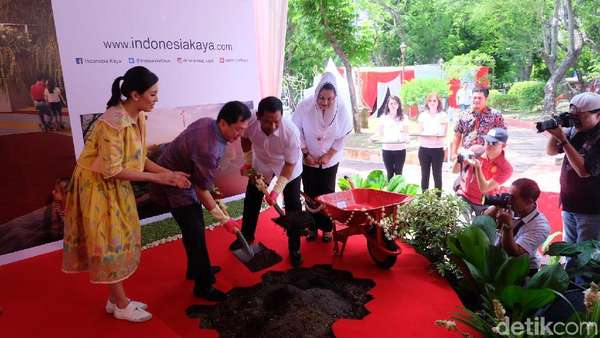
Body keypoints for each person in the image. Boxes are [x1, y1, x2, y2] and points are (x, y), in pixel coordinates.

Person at [62, 66, 191, 322]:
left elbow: (139, 159)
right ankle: (121, 305)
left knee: (119, 237)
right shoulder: (113, 123)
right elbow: (112, 170)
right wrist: (161, 178)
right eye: (153, 94)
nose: (156, 99)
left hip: (114, 182)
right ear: (135, 95)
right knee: (112, 241)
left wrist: (170, 174)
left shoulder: (138, 117)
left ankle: (115, 300)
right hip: (98, 185)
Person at [151, 101, 250, 301]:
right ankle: (204, 286)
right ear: (223, 123)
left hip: (184, 176)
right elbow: (201, 189)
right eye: (238, 129)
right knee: (195, 232)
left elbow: (201, 181)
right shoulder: (209, 148)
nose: (240, 135)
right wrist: (224, 220)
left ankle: (195, 270)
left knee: (192, 230)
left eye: (243, 130)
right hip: (173, 183)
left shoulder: (208, 123)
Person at [229, 96, 305, 266]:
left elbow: (290, 164)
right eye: (267, 122)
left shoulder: (291, 132)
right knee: (251, 200)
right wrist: (248, 162)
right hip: (262, 162)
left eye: (276, 122)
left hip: (288, 167)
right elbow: (245, 139)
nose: (272, 126)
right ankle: (247, 237)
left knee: (293, 206)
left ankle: (295, 247)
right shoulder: (250, 124)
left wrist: (276, 191)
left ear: (282, 116)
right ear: (258, 116)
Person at [292, 72, 353, 242]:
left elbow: (344, 135)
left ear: (335, 97)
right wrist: (305, 152)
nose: (325, 102)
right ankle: (312, 228)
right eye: (322, 98)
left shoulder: (342, 109)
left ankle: (327, 228)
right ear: (316, 93)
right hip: (308, 158)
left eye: (329, 98)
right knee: (310, 194)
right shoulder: (304, 106)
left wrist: (330, 154)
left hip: (330, 161)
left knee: (326, 194)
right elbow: (297, 131)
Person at [546, 92, 600, 244]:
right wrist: (555, 130)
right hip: (569, 204)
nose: (576, 121)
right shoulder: (576, 131)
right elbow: (551, 151)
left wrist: (563, 139)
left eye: (581, 117)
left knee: (585, 258)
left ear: (598, 115)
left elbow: (584, 171)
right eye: (573, 116)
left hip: (592, 210)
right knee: (569, 254)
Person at [484, 178, 550, 275]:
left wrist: (507, 228)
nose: (509, 200)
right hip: (499, 263)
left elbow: (515, 253)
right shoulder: (513, 208)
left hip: (521, 271)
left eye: (513, 197)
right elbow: (484, 220)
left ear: (528, 202)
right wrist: (498, 204)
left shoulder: (540, 226)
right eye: (508, 195)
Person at [0, 178, 69, 255]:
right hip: (23, 234)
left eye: (56, 191)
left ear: (66, 194)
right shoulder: (53, 210)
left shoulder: (65, 211)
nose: (52, 192)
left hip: (30, 238)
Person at [454, 128, 513, 215]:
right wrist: (459, 157)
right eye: (487, 141)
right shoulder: (475, 150)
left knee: (482, 227)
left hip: (485, 203)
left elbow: (484, 189)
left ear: (503, 146)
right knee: (462, 226)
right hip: (464, 197)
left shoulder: (506, 168)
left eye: (494, 143)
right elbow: (455, 170)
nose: (489, 145)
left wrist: (478, 168)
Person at [452, 86, 506, 159]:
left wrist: (499, 155)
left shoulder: (495, 115)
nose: (476, 100)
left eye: (480, 98)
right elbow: (457, 135)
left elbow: (502, 136)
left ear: (486, 99)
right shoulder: (463, 114)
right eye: (474, 97)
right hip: (467, 156)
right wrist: (454, 153)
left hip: (487, 156)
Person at [370, 95, 408, 180]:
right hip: (387, 150)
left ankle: (398, 192)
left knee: (399, 173)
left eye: (395, 103)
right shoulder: (383, 118)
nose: (393, 105)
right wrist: (373, 137)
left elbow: (406, 133)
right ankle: (390, 192)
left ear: (398, 105)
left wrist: (407, 138)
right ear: (388, 105)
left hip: (400, 150)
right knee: (390, 173)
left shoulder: (404, 118)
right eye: (391, 103)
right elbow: (379, 133)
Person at [417, 92, 448, 191]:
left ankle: (437, 200)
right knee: (424, 175)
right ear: (427, 102)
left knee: (437, 175)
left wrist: (435, 136)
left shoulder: (443, 115)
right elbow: (420, 133)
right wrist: (427, 136)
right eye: (430, 100)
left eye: (434, 100)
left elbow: (444, 134)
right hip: (424, 149)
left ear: (438, 102)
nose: (432, 103)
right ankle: (424, 198)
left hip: (437, 150)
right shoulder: (422, 115)